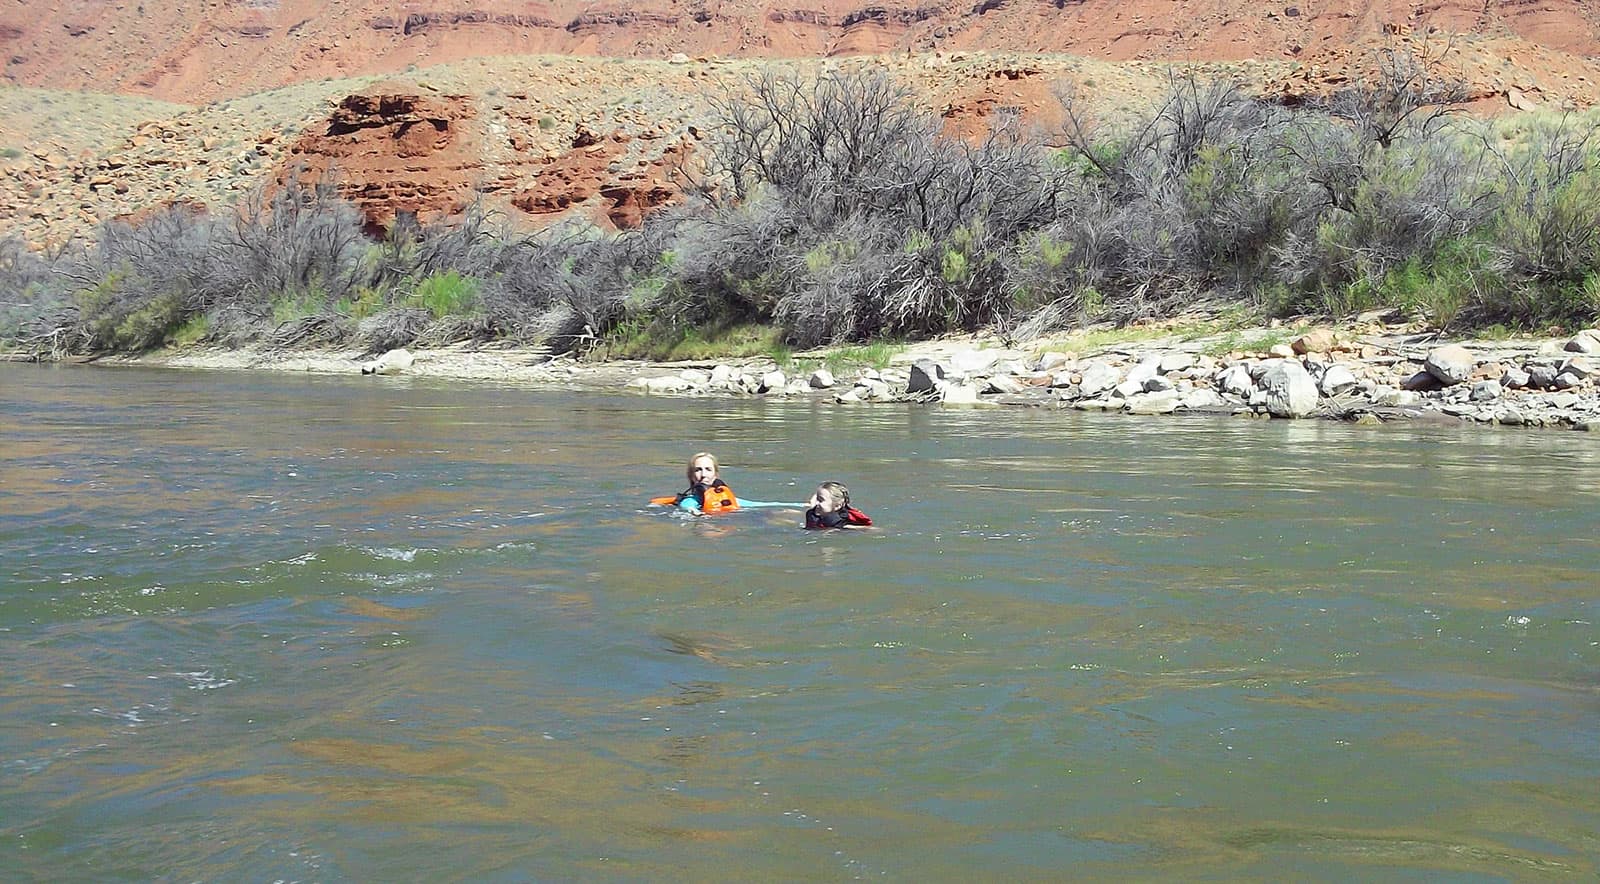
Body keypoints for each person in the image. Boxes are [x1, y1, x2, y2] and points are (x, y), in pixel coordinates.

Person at [651, 452, 798, 515]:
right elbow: (689, 510)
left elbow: (759, 504)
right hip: (712, 526)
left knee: (780, 514)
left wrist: (800, 505)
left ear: (716, 474)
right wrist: (697, 514)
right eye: (698, 470)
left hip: (740, 519)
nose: (703, 474)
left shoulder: (728, 498)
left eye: (708, 469)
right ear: (691, 475)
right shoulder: (689, 502)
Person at [804, 481, 873, 529]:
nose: (816, 503)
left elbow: (871, 529)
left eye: (821, 500)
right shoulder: (813, 513)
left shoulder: (839, 522)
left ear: (837, 506)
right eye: (817, 499)